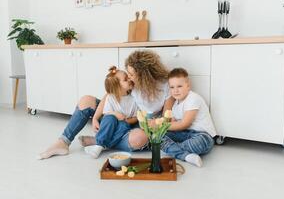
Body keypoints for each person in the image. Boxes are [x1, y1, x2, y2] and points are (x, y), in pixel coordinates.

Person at [38, 50, 173, 160]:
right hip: (115, 116)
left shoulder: (165, 86)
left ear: (144, 75)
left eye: (131, 74)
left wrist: (153, 123)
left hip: (135, 123)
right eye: (128, 74)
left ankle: (100, 141)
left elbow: (166, 117)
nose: (129, 77)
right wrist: (96, 117)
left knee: (140, 138)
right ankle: (63, 142)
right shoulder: (131, 83)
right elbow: (110, 94)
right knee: (86, 100)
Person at [161, 68, 216, 167]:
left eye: (179, 86)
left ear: (188, 86)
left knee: (199, 142)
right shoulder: (175, 104)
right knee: (158, 137)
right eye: (172, 87)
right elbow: (173, 123)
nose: (175, 90)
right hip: (185, 135)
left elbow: (184, 124)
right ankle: (186, 156)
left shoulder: (193, 98)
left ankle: (173, 150)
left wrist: (162, 126)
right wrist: (161, 126)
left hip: (202, 135)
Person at [84, 66, 139, 158]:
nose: (129, 79)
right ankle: (100, 143)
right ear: (117, 86)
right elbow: (107, 113)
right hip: (111, 121)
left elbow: (135, 118)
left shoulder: (134, 99)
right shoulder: (111, 97)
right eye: (125, 79)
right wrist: (116, 114)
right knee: (110, 118)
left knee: (124, 125)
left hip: (125, 123)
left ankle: (100, 146)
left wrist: (125, 120)